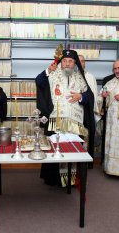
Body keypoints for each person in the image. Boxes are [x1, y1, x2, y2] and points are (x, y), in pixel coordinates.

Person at [36, 49, 95, 186]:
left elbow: (90, 96)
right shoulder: (52, 74)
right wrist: (48, 70)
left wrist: (81, 96)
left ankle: (72, 181)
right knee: (54, 150)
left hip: (75, 122)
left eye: (70, 61)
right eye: (64, 61)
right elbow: (39, 81)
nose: (67, 64)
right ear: (60, 62)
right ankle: (53, 180)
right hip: (55, 121)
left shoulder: (81, 77)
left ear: (75, 63)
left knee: (72, 151)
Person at [78, 54, 100, 168]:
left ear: (85, 63)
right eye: (79, 61)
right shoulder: (72, 76)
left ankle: (87, 162)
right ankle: (76, 160)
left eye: (83, 61)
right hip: (76, 112)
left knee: (87, 136)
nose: (81, 63)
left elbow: (94, 95)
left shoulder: (90, 77)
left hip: (87, 111)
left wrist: (94, 111)